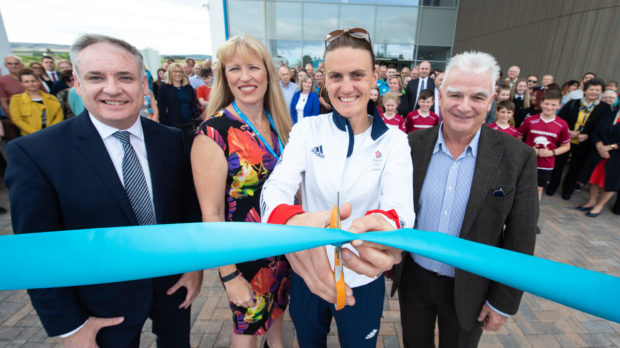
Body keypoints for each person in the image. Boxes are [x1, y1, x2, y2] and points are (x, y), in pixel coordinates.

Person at [5, 33, 201, 348]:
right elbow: (36, 251)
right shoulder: (35, 153)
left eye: (125, 77)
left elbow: (187, 211)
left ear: (143, 84)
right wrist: (69, 328)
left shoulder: (171, 139)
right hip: (100, 307)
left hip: (172, 288)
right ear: (78, 84)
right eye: (97, 77)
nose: (112, 88)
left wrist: (193, 268)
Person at [260, 27, 414, 348]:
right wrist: (289, 224)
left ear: (374, 78)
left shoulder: (395, 140)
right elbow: (275, 189)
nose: (346, 87)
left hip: (363, 276)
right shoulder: (307, 130)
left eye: (357, 75)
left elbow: (401, 208)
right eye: (335, 76)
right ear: (324, 81)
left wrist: (385, 233)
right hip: (308, 271)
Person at [392, 51, 537, 348]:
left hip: (471, 286)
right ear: (441, 94)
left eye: (478, 97)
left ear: (493, 99)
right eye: (455, 94)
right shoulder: (410, 146)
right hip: (414, 279)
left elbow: (520, 238)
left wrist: (503, 302)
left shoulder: (517, 157)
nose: (464, 107)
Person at [192, 34, 292, 348]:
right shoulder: (213, 132)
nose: (245, 77)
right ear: (224, 76)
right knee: (246, 338)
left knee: (276, 327)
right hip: (243, 259)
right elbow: (212, 215)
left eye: (253, 67)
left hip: (281, 252)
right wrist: (229, 276)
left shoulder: (280, 124)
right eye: (235, 69)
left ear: (268, 73)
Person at [547, 78, 610, 200]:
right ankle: (551, 187)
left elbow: (602, 127)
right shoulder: (573, 103)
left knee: (575, 168)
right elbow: (560, 119)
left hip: (584, 143)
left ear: (601, 92)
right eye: (591, 89)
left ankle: (567, 190)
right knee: (558, 165)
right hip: (565, 139)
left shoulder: (604, 108)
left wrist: (587, 135)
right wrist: (567, 131)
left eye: (597, 90)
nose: (594, 92)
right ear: (585, 90)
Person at [518, 90, 571, 201]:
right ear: (541, 103)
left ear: (559, 106)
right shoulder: (530, 120)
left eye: (553, 105)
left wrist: (551, 152)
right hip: (527, 161)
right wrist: (528, 150)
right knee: (520, 188)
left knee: (538, 190)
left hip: (546, 164)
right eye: (546, 103)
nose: (549, 107)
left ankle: (532, 215)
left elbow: (566, 146)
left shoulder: (562, 124)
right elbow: (518, 138)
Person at [575, 107, 620, 217]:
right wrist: (599, 145)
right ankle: (591, 201)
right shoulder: (611, 113)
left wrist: (611, 147)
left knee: (610, 182)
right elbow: (596, 130)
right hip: (599, 152)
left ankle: (599, 206)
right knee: (594, 177)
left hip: (616, 156)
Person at [9, 68, 63, 136]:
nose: (31, 84)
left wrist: (50, 130)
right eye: (26, 82)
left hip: (52, 133)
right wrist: (36, 133)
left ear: (39, 81)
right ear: (22, 83)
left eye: (33, 81)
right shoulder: (16, 99)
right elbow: (17, 120)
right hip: (30, 136)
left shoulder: (51, 98)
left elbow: (59, 116)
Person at [157, 63, 201, 144]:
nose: (178, 74)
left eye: (180, 72)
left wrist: (198, 122)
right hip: (173, 125)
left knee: (189, 150)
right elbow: (161, 108)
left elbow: (194, 105)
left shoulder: (188, 88)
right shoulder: (164, 88)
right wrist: (164, 126)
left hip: (189, 124)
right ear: (170, 73)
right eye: (175, 71)